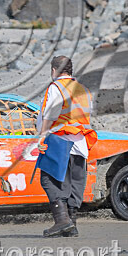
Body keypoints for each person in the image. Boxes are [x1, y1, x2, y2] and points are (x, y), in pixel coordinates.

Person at [36, 56, 97, 237]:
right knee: (73, 183)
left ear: (54, 70)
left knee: (49, 180)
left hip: (60, 141)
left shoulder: (56, 88)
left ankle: (62, 221)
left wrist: (42, 136)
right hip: (80, 143)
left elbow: (50, 114)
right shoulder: (83, 90)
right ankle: (72, 225)